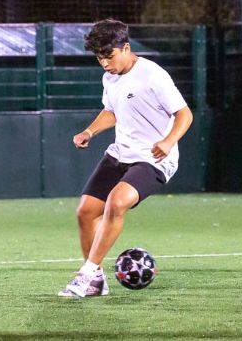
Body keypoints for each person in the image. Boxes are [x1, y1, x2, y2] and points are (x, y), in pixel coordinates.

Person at [59, 19, 193, 298]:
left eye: (109, 56)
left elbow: (184, 114)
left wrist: (169, 142)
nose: (105, 64)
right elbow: (112, 111)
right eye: (99, 58)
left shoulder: (153, 75)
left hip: (154, 158)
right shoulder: (109, 77)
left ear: (126, 47)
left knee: (116, 201)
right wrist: (89, 131)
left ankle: (85, 274)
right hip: (121, 153)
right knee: (85, 212)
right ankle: (96, 281)